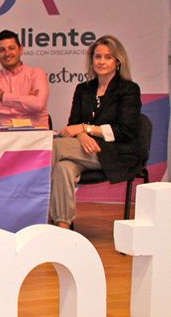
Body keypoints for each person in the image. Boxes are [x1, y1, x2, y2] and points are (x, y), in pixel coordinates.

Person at [50, 35, 142, 229]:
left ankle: (24, 208)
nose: (101, 61)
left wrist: (86, 128)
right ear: (91, 60)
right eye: (98, 56)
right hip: (84, 149)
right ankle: (62, 229)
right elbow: (73, 124)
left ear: (118, 61)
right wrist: (82, 135)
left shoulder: (129, 90)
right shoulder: (83, 89)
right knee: (62, 168)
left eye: (108, 57)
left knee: (52, 147)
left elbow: (125, 131)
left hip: (116, 153)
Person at [0, 29, 49, 127]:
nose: (7, 53)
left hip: (34, 136)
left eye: (11, 48)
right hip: (4, 137)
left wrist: (4, 97)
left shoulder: (37, 74)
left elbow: (38, 105)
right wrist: (26, 105)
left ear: (20, 50)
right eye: (2, 50)